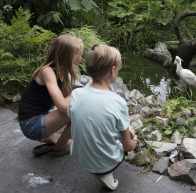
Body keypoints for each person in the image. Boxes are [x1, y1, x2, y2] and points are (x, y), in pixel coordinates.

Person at [68, 44, 139, 190]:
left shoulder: (76, 94)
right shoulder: (118, 102)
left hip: (79, 157)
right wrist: (135, 141)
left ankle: (100, 164)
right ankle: (105, 172)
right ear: (112, 70)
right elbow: (127, 146)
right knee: (130, 132)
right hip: (104, 164)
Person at [18, 35, 83, 157]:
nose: (81, 58)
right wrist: (78, 94)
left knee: (77, 106)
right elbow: (64, 106)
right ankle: (61, 146)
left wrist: (76, 96)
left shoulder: (62, 71)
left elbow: (69, 97)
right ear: (71, 56)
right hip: (30, 125)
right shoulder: (47, 71)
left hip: (38, 117)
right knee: (78, 111)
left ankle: (50, 139)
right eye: (80, 54)